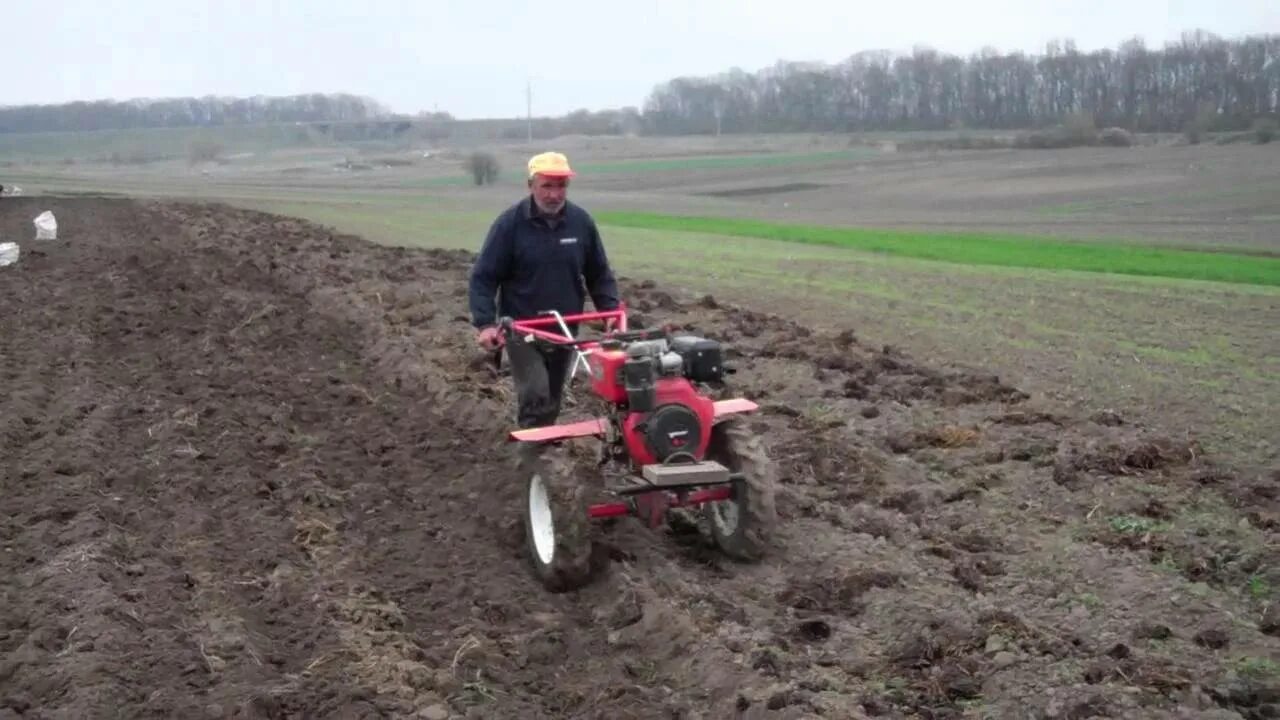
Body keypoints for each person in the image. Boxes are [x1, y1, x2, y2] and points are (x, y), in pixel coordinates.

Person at [468, 151, 620, 430]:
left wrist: (610, 311)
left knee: (551, 400)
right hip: (522, 327)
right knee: (535, 395)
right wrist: (486, 324)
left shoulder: (581, 222)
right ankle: (530, 462)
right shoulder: (509, 225)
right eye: (546, 186)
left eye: (560, 186)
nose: (554, 194)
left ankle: (543, 457)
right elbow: (483, 277)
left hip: (565, 328)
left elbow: (599, 273)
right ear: (531, 186)